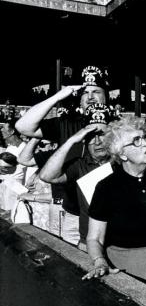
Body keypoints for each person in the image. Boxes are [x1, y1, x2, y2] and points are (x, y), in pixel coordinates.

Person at [16, 65, 111, 244]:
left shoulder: (117, 124)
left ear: (106, 95)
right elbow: (23, 127)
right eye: (85, 92)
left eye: (96, 91)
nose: (90, 97)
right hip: (74, 213)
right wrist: (60, 95)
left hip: (111, 215)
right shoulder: (66, 123)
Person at [82, 115, 146, 283]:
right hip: (130, 269)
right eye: (136, 141)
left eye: (145, 138)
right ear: (122, 154)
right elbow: (94, 237)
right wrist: (99, 261)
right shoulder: (106, 187)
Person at [40, 104, 117, 245]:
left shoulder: (123, 162)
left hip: (120, 243)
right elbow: (46, 176)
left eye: (101, 135)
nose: (97, 142)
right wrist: (71, 140)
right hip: (89, 243)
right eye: (91, 137)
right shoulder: (79, 165)